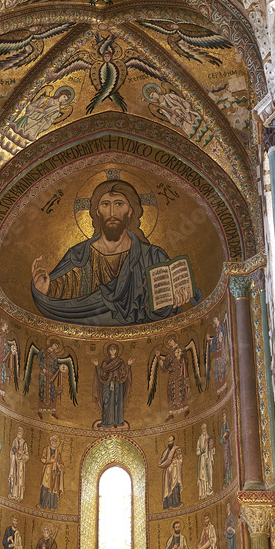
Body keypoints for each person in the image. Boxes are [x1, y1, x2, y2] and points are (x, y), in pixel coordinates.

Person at [31, 179, 200, 325]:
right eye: (106, 205)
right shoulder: (78, 256)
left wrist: (179, 299)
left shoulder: (152, 256)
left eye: (119, 204)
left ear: (130, 210)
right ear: (97, 211)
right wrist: (43, 291)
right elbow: (62, 295)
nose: (112, 213)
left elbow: (156, 313)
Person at [92, 343, 132, 428]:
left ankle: (117, 421)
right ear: (108, 351)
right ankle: (107, 421)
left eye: (114, 349)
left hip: (118, 385)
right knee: (106, 402)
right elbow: (102, 374)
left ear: (117, 351)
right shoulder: (105, 362)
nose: (112, 351)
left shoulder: (120, 362)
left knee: (117, 401)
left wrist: (128, 365)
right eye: (111, 349)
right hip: (107, 385)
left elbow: (123, 374)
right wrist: (97, 366)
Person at [38, 435, 64, 509]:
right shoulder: (46, 449)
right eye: (53, 440)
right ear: (50, 441)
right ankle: (41, 504)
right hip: (47, 472)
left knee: (54, 489)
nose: (54, 442)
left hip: (54, 472)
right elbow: (42, 459)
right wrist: (49, 461)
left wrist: (59, 466)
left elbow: (61, 463)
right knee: (44, 487)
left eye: (55, 441)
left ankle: (52, 506)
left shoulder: (58, 453)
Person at [159, 435, 183, 509]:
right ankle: (168, 504)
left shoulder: (177, 449)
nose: (170, 443)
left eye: (171, 441)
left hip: (175, 470)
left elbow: (180, 459)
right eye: (169, 441)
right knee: (168, 487)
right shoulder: (166, 451)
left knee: (175, 486)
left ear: (173, 441)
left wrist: (176, 461)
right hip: (168, 472)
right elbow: (164, 460)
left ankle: (177, 503)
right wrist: (160, 463)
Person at [8, 427, 29, 500]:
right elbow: (12, 451)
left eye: (21, 431)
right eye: (18, 431)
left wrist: (22, 455)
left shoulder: (24, 443)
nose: (19, 432)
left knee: (19, 480)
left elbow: (27, 456)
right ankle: (12, 494)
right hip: (14, 463)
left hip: (20, 464)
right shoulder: (14, 441)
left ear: (22, 433)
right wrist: (15, 452)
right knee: (13, 478)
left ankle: (20, 496)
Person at [196, 423, 214, 499]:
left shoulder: (208, 437)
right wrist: (202, 451)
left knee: (209, 474)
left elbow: (211, 448)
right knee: (203, 476)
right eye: (203, 429)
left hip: (208, 459)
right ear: (201, 429)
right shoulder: (199, 439)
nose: (204, 430)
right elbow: (197, 452)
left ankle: (208, 489)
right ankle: (202, 493)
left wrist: (212, 448)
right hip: (202, 460)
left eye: (205, 428)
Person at [220, 412, 233, 486]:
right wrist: (222, 438)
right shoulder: (222, 427)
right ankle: (225, 481)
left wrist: (226, 435)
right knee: (225, 462)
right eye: (223, 416)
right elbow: (220, 441)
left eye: (224, 415)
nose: (224, 417)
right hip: (225, 447)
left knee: (229, 461)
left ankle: (229, 479)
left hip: (229, 446)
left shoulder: (227, 425)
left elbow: (228, 433)